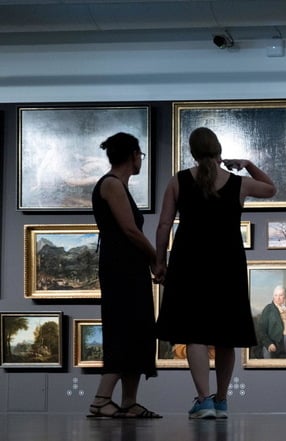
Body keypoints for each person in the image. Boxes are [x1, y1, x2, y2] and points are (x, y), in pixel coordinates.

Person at [155, 127, 276, 419]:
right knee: (226, 334)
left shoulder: (179, 180)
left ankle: (203, 400)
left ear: (193, 153)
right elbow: (271, 188)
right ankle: (221, 401)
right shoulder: (239, 183)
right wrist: (247, 164)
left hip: (189, 261)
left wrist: (159, 261)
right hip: (227, 262)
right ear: (219, 151)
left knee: (193, 332)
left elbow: (163, 225)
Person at [88, 132, 161, 418]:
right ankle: (100, 399)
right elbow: (130, 230)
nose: (140, 160)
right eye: (139, 155)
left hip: (129, 267)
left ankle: (129, 402)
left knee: (139, 329)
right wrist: (156, 258)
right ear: (132, 156)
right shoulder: (111, 185)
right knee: (124, 328)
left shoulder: (117, 185)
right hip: (121, 269)